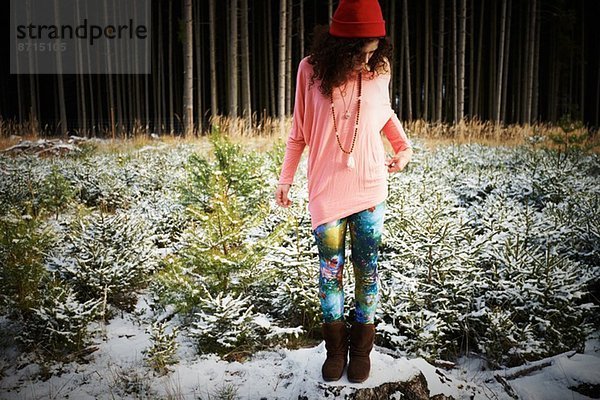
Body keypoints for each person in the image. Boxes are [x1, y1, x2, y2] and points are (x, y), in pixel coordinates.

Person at [274, 0, 413, 383]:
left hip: (370, 185)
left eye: (373, 50)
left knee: (367, 271)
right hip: (326, 190)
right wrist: (285, 179)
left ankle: (362, 350)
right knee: (329, 271)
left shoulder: (379, 69)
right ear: (339, 46)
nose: (367, 60)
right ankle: (335, 349)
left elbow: (384, 113)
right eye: (360, 52)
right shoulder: (309, 70)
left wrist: (404, 148)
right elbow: (299, 132)